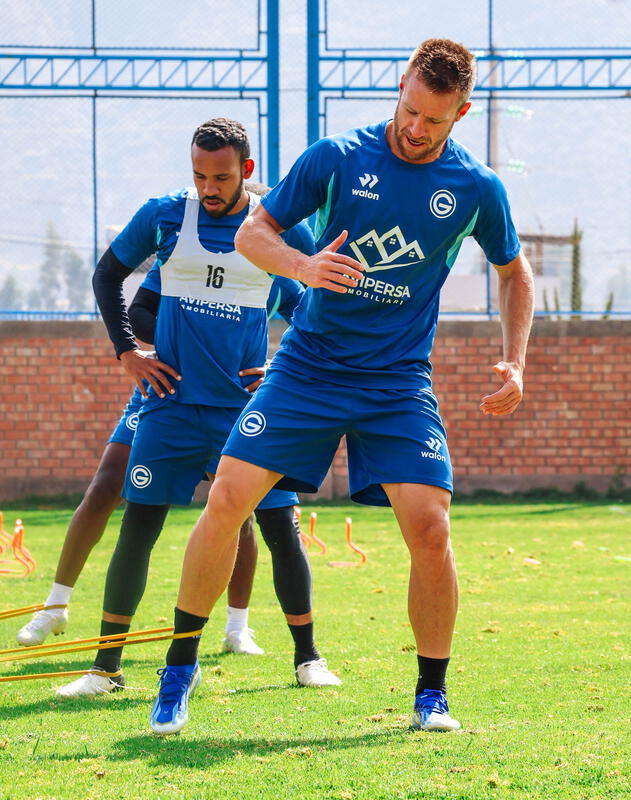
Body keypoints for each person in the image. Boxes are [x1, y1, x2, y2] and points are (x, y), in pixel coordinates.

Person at [149, 38, 535, 735]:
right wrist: (303, 267)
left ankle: (431, 696)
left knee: (430, 526)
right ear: (400, 88)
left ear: (462, 113)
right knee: (229, 497)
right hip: (309, 367)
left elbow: (514, 272)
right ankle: (179, 671)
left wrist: (516, 358)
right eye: (411, 111)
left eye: (436, 121)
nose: (418, 129)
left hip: (395, 381)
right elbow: (253, 234)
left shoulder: (477, 188)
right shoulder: (336, 156)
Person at [55, 118, 340, 698]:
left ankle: (308, 658)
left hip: (247, 414)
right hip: (170, 406)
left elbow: (320, 298)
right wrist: (128, 351)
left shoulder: (275, 229)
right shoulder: (165, 215)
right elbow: (108, 273)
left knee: (280, 527)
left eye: (222, 176)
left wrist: (284, 363)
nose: (209, 187)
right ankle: (104, 668)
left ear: (247, 173)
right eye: (199, 175)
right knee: (138, 526)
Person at [14, 243, 297, 657]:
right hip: (163, 386)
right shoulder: (182, 257)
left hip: (231, 396)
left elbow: (308, 319)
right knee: (107, 484)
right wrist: (189, 329)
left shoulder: (272, 265)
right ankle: (55, 605)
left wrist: (277, 366)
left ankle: (238, 626)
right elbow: (139, 313)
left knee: (236, 508)